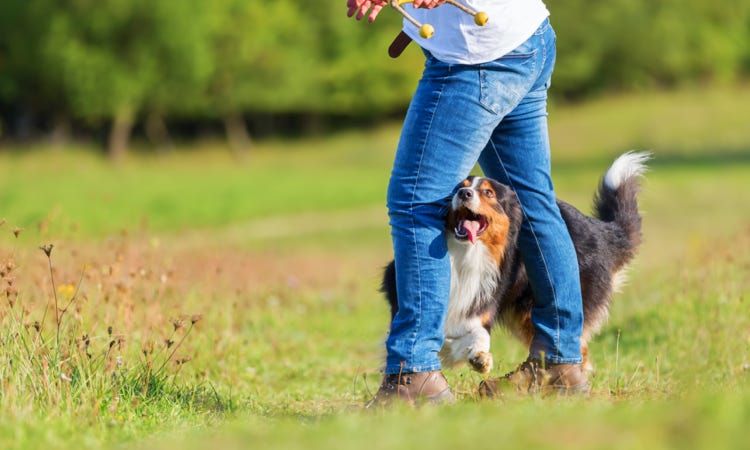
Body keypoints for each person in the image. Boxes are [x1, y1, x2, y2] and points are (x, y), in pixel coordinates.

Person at [347, 0, 589, 404]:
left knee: (416, 201)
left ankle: (414, 373)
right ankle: (559, 364)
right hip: (521, 36)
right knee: (531, 206)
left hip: (478, 58)